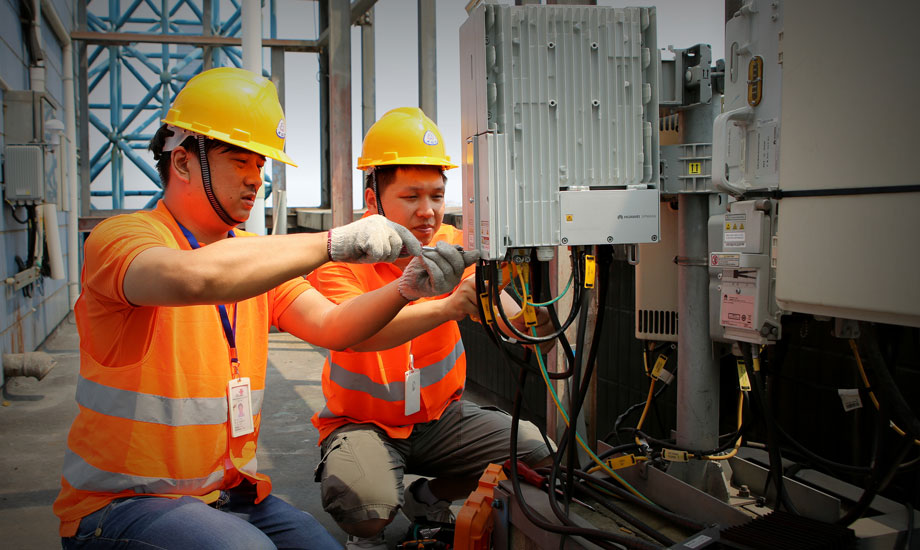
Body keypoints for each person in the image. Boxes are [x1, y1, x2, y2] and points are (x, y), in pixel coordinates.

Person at [53, 69, 475, 550]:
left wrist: (407, 289)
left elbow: (334, 326)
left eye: (261, 164)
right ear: (184, 162)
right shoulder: (123, 238)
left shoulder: (256, 258)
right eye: (240, 161)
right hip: (124, 504)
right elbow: (196, 276)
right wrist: (334, 242)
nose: (257, 179)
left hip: (229, 494)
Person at [308, 107, 554, 550]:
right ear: (372, 201)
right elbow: (357, 332)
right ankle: (367, 525)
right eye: (411, 196)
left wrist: (523, 314)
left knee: (536, 453)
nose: (429, 212)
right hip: (364, 424)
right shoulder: (338, 262)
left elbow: (492, 304)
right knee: (366, 505)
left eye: (437, 196)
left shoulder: (451, 244)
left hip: (442, 420)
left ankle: (427, 498)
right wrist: (448, 307)